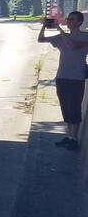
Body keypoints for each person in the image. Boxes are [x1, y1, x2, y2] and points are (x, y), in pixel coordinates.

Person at [38, 11, 88, 150]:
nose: (69, 21)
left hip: (76, 78)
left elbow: (73, 45)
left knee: (75, 109)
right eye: (68, 19)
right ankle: (68, 136)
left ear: (79, 22)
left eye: (72, 20)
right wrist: (45, 26)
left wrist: (59, 28)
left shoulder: (85, 36)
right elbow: (41, 40)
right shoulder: (62, 37)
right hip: (62, 77)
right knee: (65, 108)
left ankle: (74, 139)